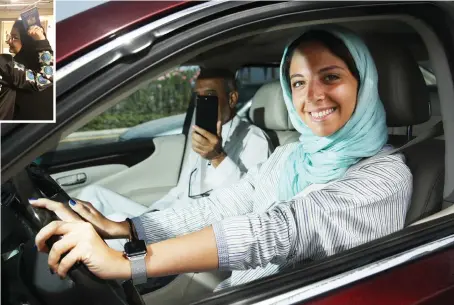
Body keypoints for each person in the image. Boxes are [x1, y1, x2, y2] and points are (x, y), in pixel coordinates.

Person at [32, 26, 413, 291]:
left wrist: (130, 262)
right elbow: (227, 204)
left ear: (363, 83)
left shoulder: (387, 176)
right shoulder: (292, 156)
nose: (312, 95)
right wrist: (129, 228)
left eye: (330, 77)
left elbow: (281, 228)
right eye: (298, 82)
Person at [75, 68, 273, 229]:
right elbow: (179, 191)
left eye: (210, 96)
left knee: (115, 220)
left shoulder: (254, 140)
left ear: (231, 99)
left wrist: (217, 156)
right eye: (198, 97)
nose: (202, 103)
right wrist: (151, 214)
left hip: (197, 228)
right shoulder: (200, 135)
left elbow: (249, 203)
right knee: (93, 194)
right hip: (172, 217)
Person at [0, 25, 53, 120]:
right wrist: (41, 41)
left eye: (14, 38)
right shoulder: (7, 64)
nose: (9, 41)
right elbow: (46, 78)